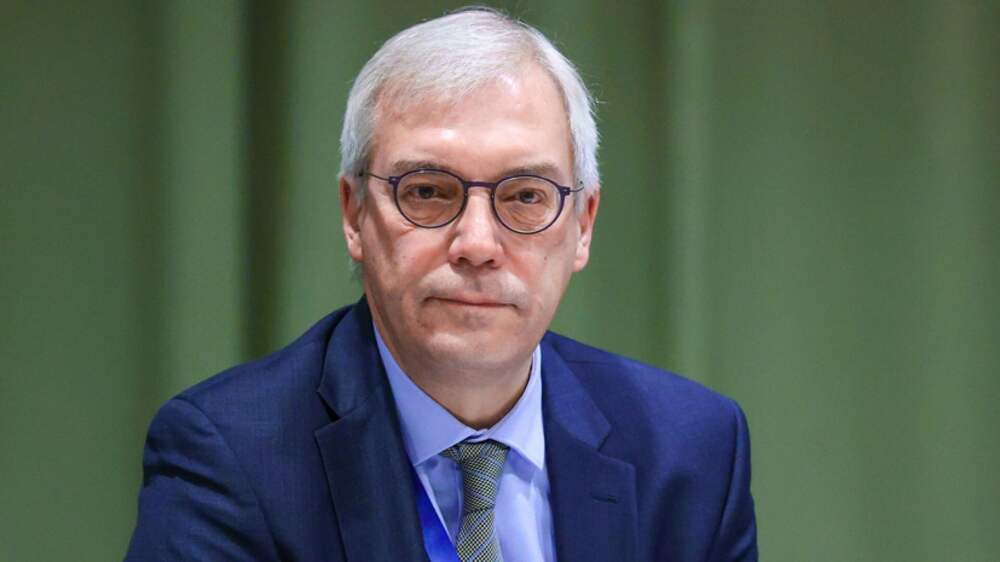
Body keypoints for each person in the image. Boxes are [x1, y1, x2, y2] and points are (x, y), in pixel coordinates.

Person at [124, 7, 757, 562]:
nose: (477, 244)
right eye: (427, 191)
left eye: (525, 195)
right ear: (354, 214)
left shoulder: (690, 452)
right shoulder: (231, 457)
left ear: (583, 225)